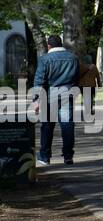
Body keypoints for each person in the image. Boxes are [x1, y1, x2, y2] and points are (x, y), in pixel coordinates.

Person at [31, 35, 80, 166]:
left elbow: (39, 80)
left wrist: (36, 100)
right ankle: (68, 156)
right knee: (67, 125)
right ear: (61, 44)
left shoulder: (44, 59)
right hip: (67, 94)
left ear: (49, 46)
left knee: (47, 126)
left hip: (50, 96)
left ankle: (45, 157)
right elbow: (77, 78)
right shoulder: (73, 58)